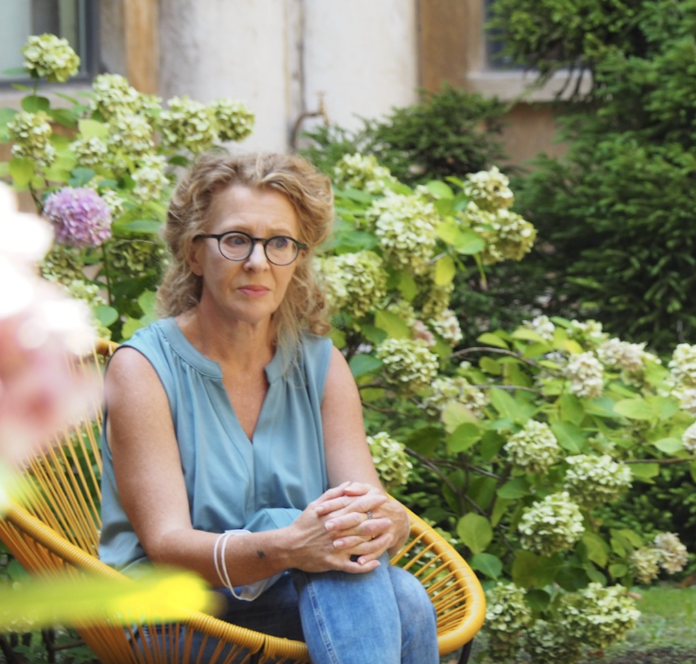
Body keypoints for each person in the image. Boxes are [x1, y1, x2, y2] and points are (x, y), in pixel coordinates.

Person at [98, 152, 439, 663]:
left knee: (407, 595)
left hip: (290, 596)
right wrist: (288, 545)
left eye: (279, 243)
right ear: (195, 254)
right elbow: (166, 545)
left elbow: (368, 511)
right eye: (236, 239)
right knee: (306, 532)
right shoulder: (142, 369)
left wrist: (390, 522)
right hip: (170, 613)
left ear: (297, 257)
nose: (258, 262)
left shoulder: (321, 367)